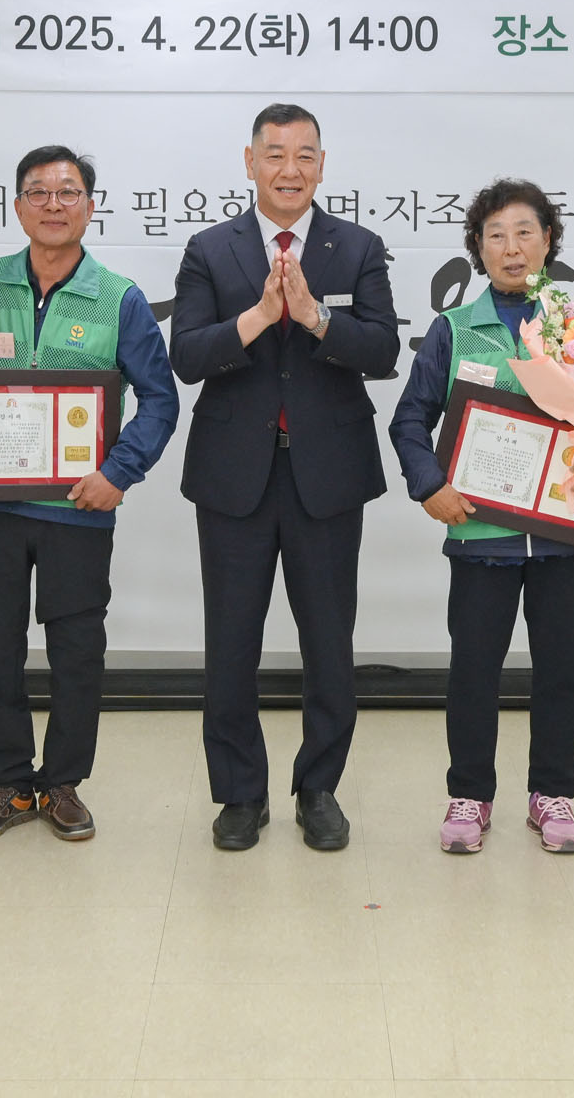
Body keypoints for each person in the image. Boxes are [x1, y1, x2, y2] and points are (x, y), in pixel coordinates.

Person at [390, 179, 574, 854]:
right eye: (496, 236)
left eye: (524, 233)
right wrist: (430, 486)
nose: (511, 248)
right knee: (473, 670)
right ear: (478, 248)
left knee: (562, 668)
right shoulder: (455, 329)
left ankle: (552, 795)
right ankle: (469, 796)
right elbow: (410, 419)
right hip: (481, 532)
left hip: (570, 527)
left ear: (549, 240)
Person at [0, 146, 178, 844]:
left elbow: (160, 400)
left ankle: (64, 783)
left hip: (78, 508)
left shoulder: (120, 298)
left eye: (68, 192)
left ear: (90, 206)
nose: (53, 204)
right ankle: (7, 784)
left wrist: (118, 473)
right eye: (38, 192)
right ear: (17, 206)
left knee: (76, 649)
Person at [170, 103, 400, 851]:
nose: (290, 169)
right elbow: (187, 357)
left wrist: (314, 318)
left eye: (305, 155)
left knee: (329, 643)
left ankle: (319, 788)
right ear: (250, 163)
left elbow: (383, 352)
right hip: (233, 476)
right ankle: (240, 794)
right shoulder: (211, 249)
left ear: (322, 166)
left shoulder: (357, 247)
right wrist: (259, 317)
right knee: (230, 643)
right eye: (275, 154)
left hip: (326, 476)